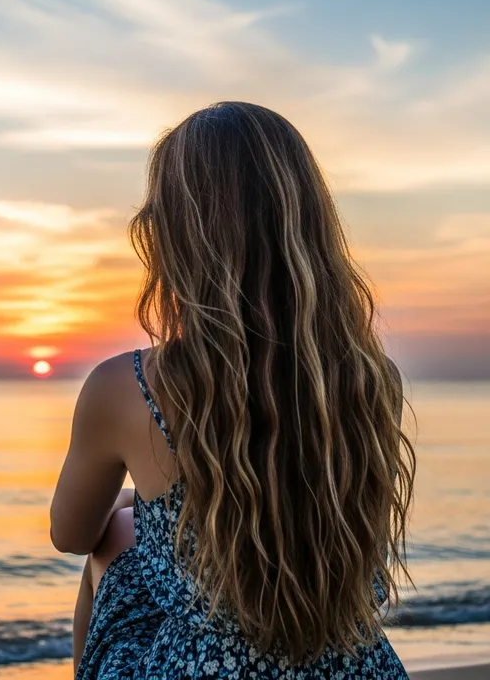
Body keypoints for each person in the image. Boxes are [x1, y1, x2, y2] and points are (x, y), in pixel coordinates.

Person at [50, 102, 416, 678]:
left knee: (111, 540)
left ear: (173, 236)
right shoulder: (370, 379)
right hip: (353, 664)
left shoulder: (129, 386)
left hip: (203, 668)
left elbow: (71, 534)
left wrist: (133, 504)